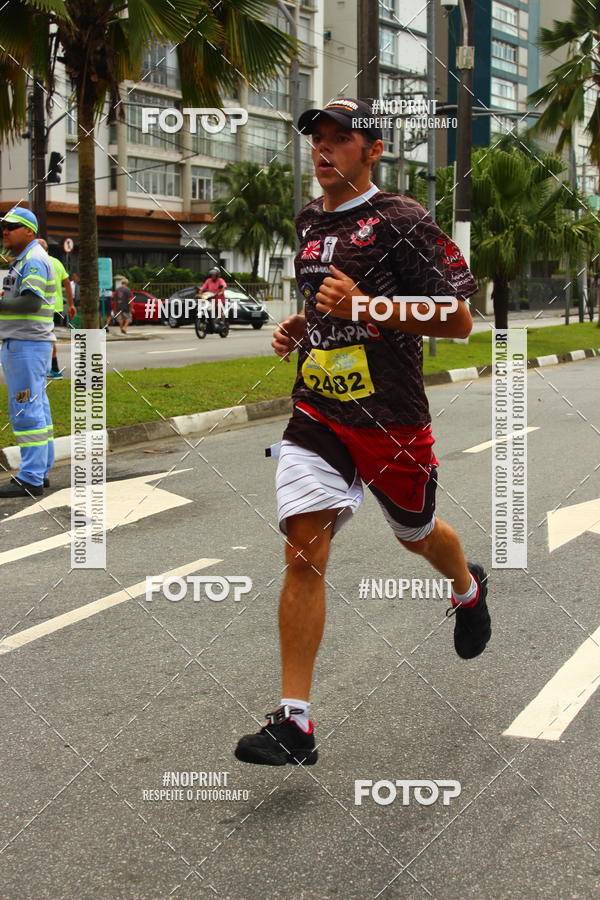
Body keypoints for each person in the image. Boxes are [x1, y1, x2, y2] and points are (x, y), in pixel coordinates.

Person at [234, 99, 491, 767]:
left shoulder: (403, 220)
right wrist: (304, 326)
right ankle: (296, 724)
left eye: (340, 140)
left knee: (418, 535)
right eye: (317, 139)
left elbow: (459, 320)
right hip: (319, 410)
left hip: (392, 417)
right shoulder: (310, 221)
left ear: (372, 150)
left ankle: (467, 587)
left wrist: (366, 305)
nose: (323, 151)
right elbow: (327, 302)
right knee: (302, 552)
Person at [0, 207, 56, 498]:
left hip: (25, 344)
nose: (5, 231)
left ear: (30, 231)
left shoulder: (33, 261)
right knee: (38, 408)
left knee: (25, 409)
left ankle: (31, 477)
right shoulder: (23, 260)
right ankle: (41, 471)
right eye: (4, 226)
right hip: (27, 344)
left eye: (12, 226)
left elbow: (30, 303)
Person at [37, 238, 75, 378]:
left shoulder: (36, 262)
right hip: (56, 307)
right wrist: (71, 304)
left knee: (46, 337)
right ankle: (50, 367)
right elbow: (67, 283)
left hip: (43, 307)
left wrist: (71, 304)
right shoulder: (57, 262)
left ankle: (53, 368)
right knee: (46, 336)